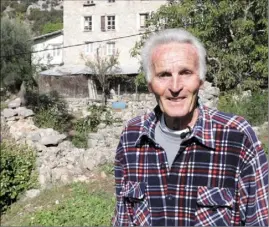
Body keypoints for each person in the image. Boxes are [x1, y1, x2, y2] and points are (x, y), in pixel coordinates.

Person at [112, 28, 268, 226]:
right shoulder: (132, 137)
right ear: (150, 84)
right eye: (163, 75)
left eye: (186, 73)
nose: (175, 87)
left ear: (200, 81)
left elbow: (260, 219)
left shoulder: (236, 136)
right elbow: (123, 218)